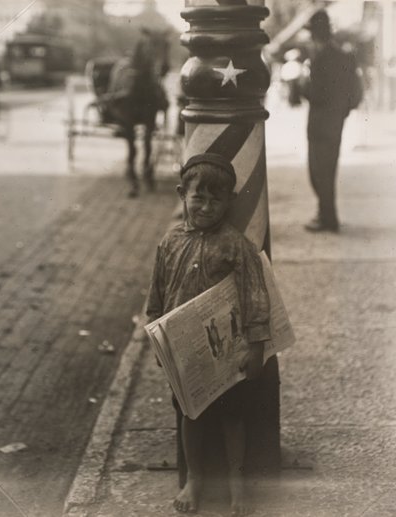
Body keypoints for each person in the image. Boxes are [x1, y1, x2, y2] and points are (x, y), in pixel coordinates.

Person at [146, 152, 271, 515]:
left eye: (216, 199)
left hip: (228, 350)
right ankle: (195, 478)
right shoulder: (169, 243)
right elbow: (156, 295)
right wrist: (159, 340)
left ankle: (236, 485)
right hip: (186, 352)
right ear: (182, 193)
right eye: (198, 197)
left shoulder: (235, 245)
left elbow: (254, 295)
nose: (206, 206)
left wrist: (256, 345)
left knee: (233, 417)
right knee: (191, 414)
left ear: (229, 201)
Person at [301, 9, 361, 233]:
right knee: (328, 168)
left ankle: (327, 218)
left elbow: (313, 92)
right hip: (335, 121)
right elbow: (355, 93)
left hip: (319, 122)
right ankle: (328, 215)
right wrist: (343, 111)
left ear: (316, 33)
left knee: (318, 171)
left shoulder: (320, 58)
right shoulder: (344, 55)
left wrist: (302, 85)